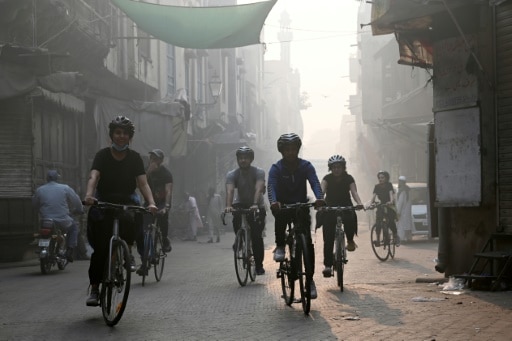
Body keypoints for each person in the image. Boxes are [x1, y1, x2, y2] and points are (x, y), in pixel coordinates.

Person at [83, 115, 157, 306]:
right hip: (104, 199)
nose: (121, 136)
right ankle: (94, 288)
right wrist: (89, 195)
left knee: (136, 218)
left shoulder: (135, 158)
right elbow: (94, 176)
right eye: (118, 132)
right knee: (100, 250)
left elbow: (143, 183)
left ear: (130, 137)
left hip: (126, 199)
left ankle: (128, 250)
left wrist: (151, 202)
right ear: (111, 135)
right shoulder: (102, 155)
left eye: (125, 133)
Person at [267, 133, 325, 299]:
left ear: (298, 149)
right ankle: (279, 246)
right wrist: (274, 201)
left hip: (301, 205)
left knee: (307, 242)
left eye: (293, 149)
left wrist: (320, 198)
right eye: (287, 150)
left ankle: (310, 281)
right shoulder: (276, 168)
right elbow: (271, 186)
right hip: (283, 206)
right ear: (282, 151)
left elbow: (314, 182)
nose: (291, 152)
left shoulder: (305, 166)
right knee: (280, 219)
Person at [319, 155, 364, 277]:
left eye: (339, 167)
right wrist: (319, 202)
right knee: (328, 239)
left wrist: (359, 203)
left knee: (350, 218)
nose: (336, 169)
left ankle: (350, 240)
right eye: (334, 167)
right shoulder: (327, 178)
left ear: (343, 168)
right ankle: (328, 266)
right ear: (330, 168)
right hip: (330, 207)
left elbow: (354, 192)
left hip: (346, 205)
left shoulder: (349, 178)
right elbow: (321, 192)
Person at [225, 146, 266, 275]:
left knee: (256, 236)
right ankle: (239, 239)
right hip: (240, 203)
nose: (243, 160)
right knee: (236, 220)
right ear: (237, 159)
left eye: (246, 158)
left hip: (256, 205)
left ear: (251, 159)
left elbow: (259, 189)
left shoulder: (258, 172)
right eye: (240, 158)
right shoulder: (232, 174)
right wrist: (228, 205)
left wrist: (255, 204)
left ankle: (259, 265)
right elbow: (230, 190)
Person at [32, 170, 84, 262]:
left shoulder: (40, 190)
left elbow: (34, 205)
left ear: (47, 178)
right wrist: (80, 210)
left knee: (41, 231)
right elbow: (76, 201)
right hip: (62, 220)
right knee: (74, 228)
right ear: (57, 178)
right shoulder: (65, 188)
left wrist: (40, 211)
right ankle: (69, 250)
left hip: (46, 220)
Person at [145, 149, 173, 252]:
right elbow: (140, 184)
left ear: (160, 161)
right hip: (149, 202)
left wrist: (166, 206)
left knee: (163, 218)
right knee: (144, 225)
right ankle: (147, 253)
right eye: (151, 158)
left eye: (155, 159)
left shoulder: (166, 174)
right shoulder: (147, 171)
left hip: (162, 202)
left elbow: (168, 191)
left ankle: (165, 239)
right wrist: (148, 171)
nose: (152, 161)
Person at [369, 170, 399, 246]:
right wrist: (370, 204)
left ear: (386, 178)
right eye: (379, 178)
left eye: (382, 177)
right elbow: (373, 196)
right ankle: (378, 240)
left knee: (391, 221)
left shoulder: (389, 185)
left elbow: (391, 194)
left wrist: (391, 201)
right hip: (381, 205)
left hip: (389, 205)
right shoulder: (376, 186)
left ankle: (395, 236)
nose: (380, 179)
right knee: (378, 223)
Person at [396, 175, 413, 243]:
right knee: (407, 225)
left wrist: (398, 212)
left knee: (401, 225)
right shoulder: (408, 189)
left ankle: (402, 239)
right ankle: (408, 238)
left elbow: (400, 203)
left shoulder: (402, 191)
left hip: (403, 211)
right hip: (407, 211)